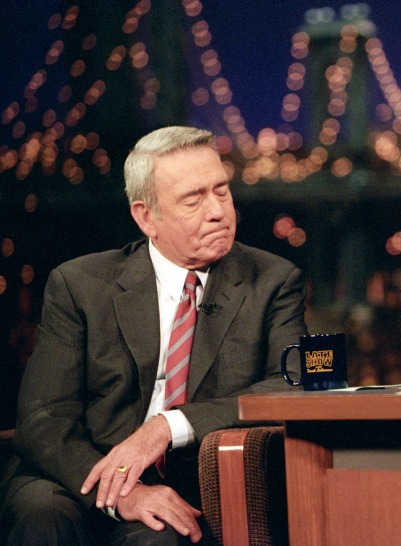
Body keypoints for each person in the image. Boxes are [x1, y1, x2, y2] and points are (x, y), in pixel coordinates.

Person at [0, 126, 308, 544]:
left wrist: (167, 427)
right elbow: (43, 419)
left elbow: (293, 385)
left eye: (221, 191)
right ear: (146, 217)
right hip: (78, 477)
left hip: (189, 484)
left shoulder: (272, 281)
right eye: (194, 199)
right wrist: (119, 494)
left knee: (161, 536)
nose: (218, 211)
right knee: (41, 512)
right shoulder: (80, 285)